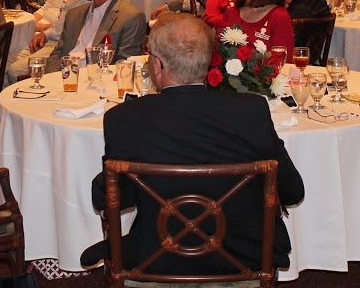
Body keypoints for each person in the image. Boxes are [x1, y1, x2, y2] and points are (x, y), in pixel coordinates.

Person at [82, 14, 305, 275]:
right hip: (246, 258)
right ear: (208, 61)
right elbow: (293, 191)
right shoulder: (251, 111)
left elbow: (109, 200)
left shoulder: (124, 119)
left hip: (155, 258)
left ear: (157, 64)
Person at [47, 0, 148, 72]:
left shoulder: (130, 17)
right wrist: (51, 81)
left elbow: (124, 68)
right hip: (64, 81)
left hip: (97, 83)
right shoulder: (73, 15)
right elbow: (57, 56)